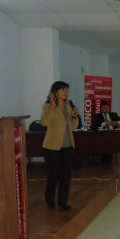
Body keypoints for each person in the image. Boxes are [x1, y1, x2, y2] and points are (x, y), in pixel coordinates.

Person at [40, 81, 79, 211]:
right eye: (63, 90)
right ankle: (50, 199)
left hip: (68, 145)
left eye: (66, 90)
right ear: (55, 92)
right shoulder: (48, 106)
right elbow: (44, 122)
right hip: (52, 146)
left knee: (66, 175)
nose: (66, 92)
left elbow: (73, 126)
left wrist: (74, 117)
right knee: (54, 174)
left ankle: (63, 201)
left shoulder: (68, 106)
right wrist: (51, 107)